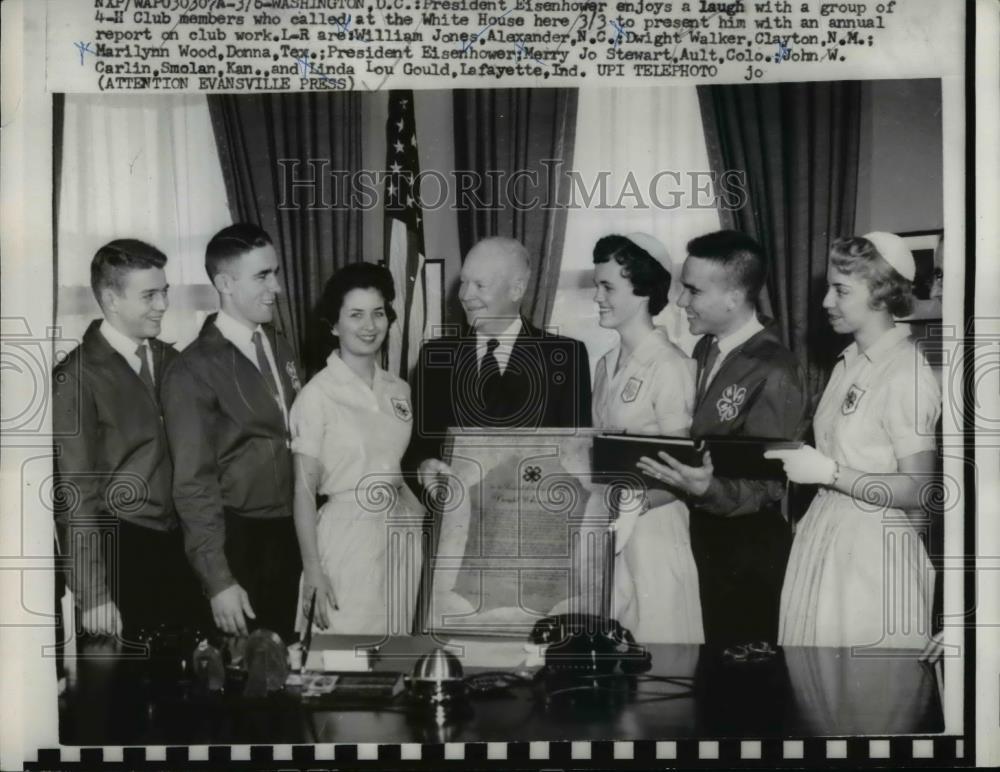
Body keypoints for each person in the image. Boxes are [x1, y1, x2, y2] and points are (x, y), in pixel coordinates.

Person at [767, 232, 940, 648]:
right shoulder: (847, 363)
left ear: (880, 294)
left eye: (840, 290)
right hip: (826, 534)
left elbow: (920, 489)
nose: (826, 301)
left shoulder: (905, 373)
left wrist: (830, 471)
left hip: (871, 552)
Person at [636, 230, 808, 648]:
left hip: (746, 557)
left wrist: (710, 489)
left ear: (733, 297)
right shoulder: (705, 350)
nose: (680, 301)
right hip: (704, 543)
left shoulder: (775, 369)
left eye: (693, 291)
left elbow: (769, 485)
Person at [52, 239, 202, 637]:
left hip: (178, 550)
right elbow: (74, 494)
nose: (163, 305)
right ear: (111, 299)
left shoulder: (173, 361)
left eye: (165, 292)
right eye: (149, 295)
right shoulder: (76, 376)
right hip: (121, 553)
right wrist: (93, 594)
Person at [162, 224, 303, 641]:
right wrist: (218, 580)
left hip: (292, 534)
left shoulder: (279, 345)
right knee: (248, 688)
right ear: (224, 283)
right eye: (262, 276)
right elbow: (192, 484)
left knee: (295, 678)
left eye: (275, 272)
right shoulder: (191, 369)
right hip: (240, 544)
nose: (276, 286)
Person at [291, 263, 424, 635]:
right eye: (356, 314)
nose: (370, 325)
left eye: (378, 313)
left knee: (393, 656)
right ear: (334, 325)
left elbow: (394, 471)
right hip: (346, 537)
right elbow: (302, 492)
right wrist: (314, 571)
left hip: (399, 538)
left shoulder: (399, 389)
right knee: (341, 656)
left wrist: (426, 524)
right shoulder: (317, 395)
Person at [403, 236, 593, 491]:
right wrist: (423, 466)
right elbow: (417, 447)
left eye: (480, 285)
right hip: (453, 521)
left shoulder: (566, 357)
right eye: (463, 282)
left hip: (534, 523)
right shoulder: (434, 357)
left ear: (516, 289)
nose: (465, 295)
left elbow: (577, 456)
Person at [591, 233, 703, 644]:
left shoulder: (671, 366)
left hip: (655, 533)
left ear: (641, 292)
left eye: (608, 287)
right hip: (611, 533)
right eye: (596, 285)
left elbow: (684, 472)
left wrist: (633, 505)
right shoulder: (604, 365)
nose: (597, 297)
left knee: (660, 654)